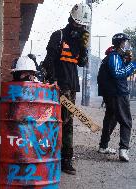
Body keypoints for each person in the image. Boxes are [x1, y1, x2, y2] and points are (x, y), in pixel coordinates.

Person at [41, 3, 92, 175]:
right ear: (71, 20)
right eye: (77, 24)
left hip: (71, 88)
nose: (80, 28)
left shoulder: (79, 41)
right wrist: (54, 81)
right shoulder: (59, 35)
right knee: (53, 121)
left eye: (82, 25)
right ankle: (48, 155)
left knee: (68, 122)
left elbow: (82, 63)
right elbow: (49, 61)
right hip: (57, 86)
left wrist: (84, 48)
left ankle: (66, 159)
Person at [97, 33, 136, 162]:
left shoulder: (114, 56)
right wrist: (133, 65)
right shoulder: (114, 56)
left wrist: (127, 62)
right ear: (120, 43)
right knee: (126, 121)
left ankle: (103, 146)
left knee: (111, 119)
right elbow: (118, 73)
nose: (127, 45)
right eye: (125, 42)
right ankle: (123, 150)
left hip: (112, 93)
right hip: (118, 93)